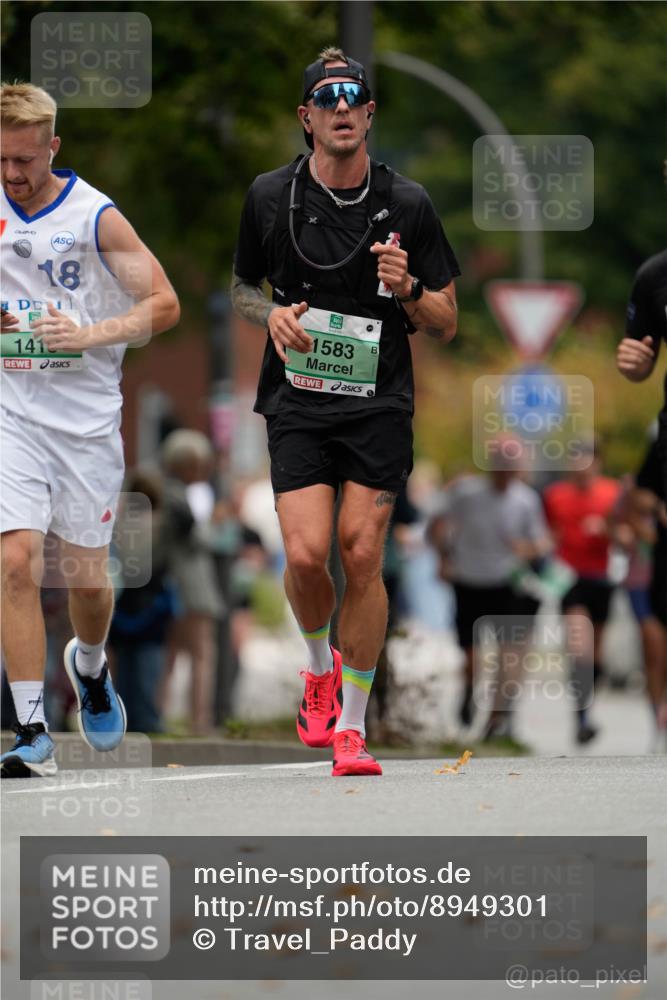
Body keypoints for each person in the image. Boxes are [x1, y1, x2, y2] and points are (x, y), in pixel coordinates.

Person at [231, 47, 459, 776]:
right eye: (324, 99)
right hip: (297, 398)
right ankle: (318, 667)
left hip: (377, 401)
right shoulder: (269, 197)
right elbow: (241, 289)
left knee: (361, 551)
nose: (339, 108)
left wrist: (407, 288)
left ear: (368, 115)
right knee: (304, 554)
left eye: (351, 98)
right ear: (306, 117)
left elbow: (446, 316)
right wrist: (268, 317)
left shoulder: (409, 203)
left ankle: (352, 731)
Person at [0, 84, 180, 777]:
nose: (13, 175)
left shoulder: (95, 217)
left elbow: (162, 304)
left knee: (85, 579)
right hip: (12, 410)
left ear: (53, 147)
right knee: (14, 559)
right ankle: (31, 733)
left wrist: (88, 335)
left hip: (84, 422)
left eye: (25, 160)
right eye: (2, 162)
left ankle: (91, 666)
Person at [428, 455, 552, 745]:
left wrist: (528, 548)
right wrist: (443, 557)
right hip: (468, 580)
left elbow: (540, 542)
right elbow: (438, 524)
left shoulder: (526, 500)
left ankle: (499, 718)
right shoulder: (466, 493)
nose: (505, 474)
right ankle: (470, 691)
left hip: (506, 583)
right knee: (472, 656)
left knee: (508, 653)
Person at [616, 248, 667, 746]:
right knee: (656, 624)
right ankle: (661, 717)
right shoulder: (655, 276)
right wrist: (634, 362)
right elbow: (638, 359)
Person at [543, 443, 621, 744]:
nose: (581, 467)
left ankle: (586, 710)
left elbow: (625, 536)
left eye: (586, 461)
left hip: (603, 578)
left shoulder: (612, 493)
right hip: (569, 579)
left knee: (596, 654)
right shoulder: (555, 495)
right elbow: (548, 533)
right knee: (580, 648)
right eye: (575, 461)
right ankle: (582, 717)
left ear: (598, 463)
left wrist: (607, 530)